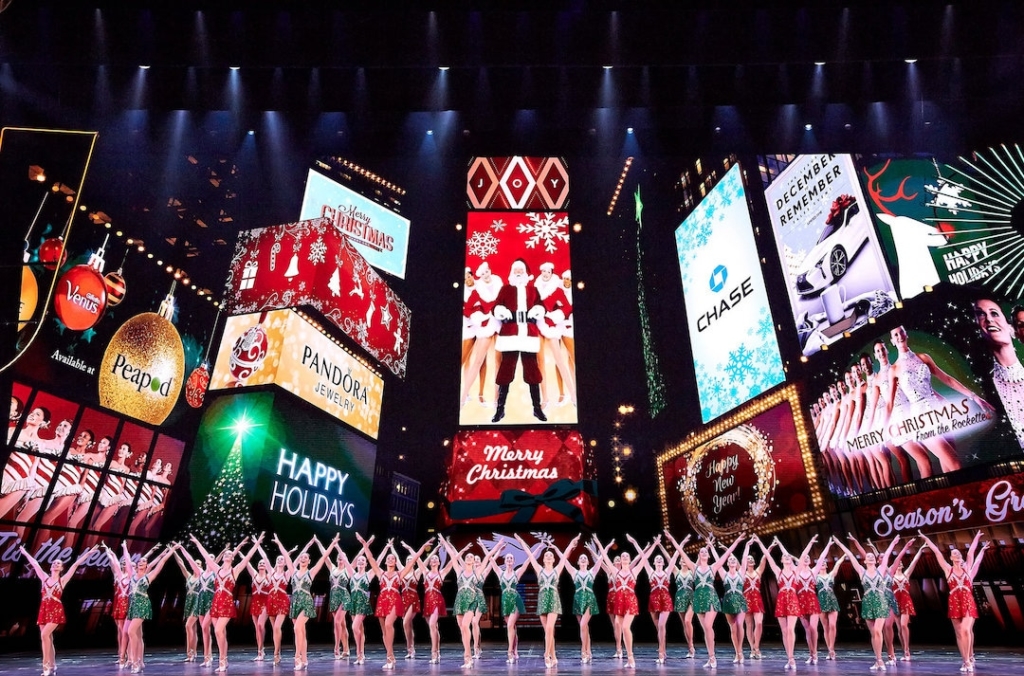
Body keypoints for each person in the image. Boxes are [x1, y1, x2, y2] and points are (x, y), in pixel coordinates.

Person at [888, 325, 995, 473]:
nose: (899, 336)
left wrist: (974, 396)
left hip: (938, 411)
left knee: (948, 465)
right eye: (895, 335)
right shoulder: (893, 370)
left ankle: (956, 496)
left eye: (901, 332)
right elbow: (890, 402)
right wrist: (887, 427)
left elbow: (948, 379)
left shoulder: (923, 357)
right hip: (920, 418)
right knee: (955, 463)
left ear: (906, 335)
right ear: (892, 341)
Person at [20, 543, 96, 676]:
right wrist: (25, 553)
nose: (56, 565)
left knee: (44, 635)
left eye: (58, 564)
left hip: (56, 610)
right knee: (47, 638)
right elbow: (35, 564)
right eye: (54, 563)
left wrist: (88, 554)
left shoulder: (63, 580)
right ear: (51, 567)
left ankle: (46, 667)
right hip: (44, 609)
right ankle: (53, 664)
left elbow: (75, 565)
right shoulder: (44, 578)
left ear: (61, 568)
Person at [918, 530, 988, 673]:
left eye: (959, 553)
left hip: (968, 601)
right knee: (959, 633)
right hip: (954, 602)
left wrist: (976, 538)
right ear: (950, 557)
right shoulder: (948, 569)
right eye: (954, 553)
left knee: (965, 629)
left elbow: (972, 554)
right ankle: (965, 660)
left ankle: (969, 658)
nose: (957, 555)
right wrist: (926, 538)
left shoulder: (969, 569)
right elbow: (937, 552)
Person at [833, 535, 904, 672]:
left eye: (873, 556)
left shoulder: (881, 569)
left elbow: (888, 553)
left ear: (875, 561)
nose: (871, 557)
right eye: (868, 556)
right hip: (867, 603)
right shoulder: (861, 571)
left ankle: (881, 660)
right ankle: (878, 659)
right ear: (865, 560)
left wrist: (894, 542)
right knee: (873, 634)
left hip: (880, 602)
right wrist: (840, 543)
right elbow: (849, 554)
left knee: (878, 630)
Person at [192, 534, 263, 672]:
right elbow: (206, 556)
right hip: (216, 603)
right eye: (226, 554)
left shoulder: (234, 570)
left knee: (218, 630)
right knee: (221, 633)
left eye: (230, 554)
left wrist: (258, 543)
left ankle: (222, 660)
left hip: (226, 603)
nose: (227, 555)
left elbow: (248, 557)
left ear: (232, 558)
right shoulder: (217, 569)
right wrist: (197, 543)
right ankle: (223, 661)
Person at [490, 258, 548, 422]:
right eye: (515, 270)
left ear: (525, 273)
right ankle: (500, 409)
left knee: (532, 371)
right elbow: (495, 307)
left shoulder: (533, 290)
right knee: (506, 370)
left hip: (528, 334)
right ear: (512, 272)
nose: (518, 272)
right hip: (510, 334)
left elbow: (541, 305)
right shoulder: (505, 289)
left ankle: (537, 409)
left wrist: (538, 309)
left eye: (521, 270)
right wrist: (500, 311)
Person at [361, 535, 431, 670]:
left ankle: (390, 657)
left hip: (394, 600)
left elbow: (414, 560)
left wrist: (423, 547)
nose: (391, 559)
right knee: (384, 631)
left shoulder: (400, 574)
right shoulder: (380, 573)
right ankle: (390, 658)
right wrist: (365, 545)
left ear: (395, 561)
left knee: (388, 624)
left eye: (393, 558)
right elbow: (370, 559)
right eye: (389, 558)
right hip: (382, 601)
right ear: (386, 562)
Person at [676, 535, 744, 669]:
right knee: (706, 630)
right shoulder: (693, 568)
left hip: (711, 597)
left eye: (705, 551)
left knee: (707, 625)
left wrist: (736, 541)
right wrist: (674, 540)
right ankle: (711, 657)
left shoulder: (713, 567)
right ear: (699, 555)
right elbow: (681, 553)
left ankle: (714, 658)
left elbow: (727, 554)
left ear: (708, 556)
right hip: (699, 599)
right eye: (701, 551)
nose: (703, 552)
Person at [591, 534, 655, 669]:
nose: (624, 557)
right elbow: (605, 558)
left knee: (625, 627)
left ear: (630, 559)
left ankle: (631, 656)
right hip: (619, 601)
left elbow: (643, 558)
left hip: (631, 601)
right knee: (620, 628)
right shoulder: (615, 571)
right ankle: (627, 656)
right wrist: (598, 543)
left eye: (627, 556)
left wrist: (636, 543)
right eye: (622, 556)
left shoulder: (634, 571)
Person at [274, 533, 331, 671]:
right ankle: (305, 659)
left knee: (296, 628)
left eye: (306, 557)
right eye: (302, 557)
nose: (303, 558)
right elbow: (287, 557)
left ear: (309, 561)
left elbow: (323, 558)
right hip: (295, 603)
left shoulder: (310, 573)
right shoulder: (293, 572)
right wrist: (278, 542)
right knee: (301, 632)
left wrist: (332, 545)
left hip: (306, 603)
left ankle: (297, 657)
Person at [972, 297, 1024, 447]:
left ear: (1011, 328)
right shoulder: (986, 389)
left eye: (994, 313)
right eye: (980, 314)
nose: (988, 318)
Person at [124, 545, 177, 674]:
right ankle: (141, 661)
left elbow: (162, 562)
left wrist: (171, 550)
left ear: (147, 565)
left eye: (144, 561)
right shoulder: (132, 575)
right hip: (133, 605)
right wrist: (124, 546)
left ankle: (135, 661)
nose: (141, 562)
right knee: (138, 634)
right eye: (139, 561)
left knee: (131, 631)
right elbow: (126, 560)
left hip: (142, 604)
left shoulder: (149, 576)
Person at [534, 261, 576, 408]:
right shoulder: (535, 288)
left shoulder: (557, 289)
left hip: (551, 326)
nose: (545, 274)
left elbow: (566, 307)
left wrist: (556, 315)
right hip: (537, 326)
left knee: (560, 360)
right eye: (543, 271)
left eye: (548, 272)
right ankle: (544, 398)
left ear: (552, 273)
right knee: (540, 363)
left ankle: (573, 394)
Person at [460, 262, 503, 408]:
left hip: (501, 325)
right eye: (483, 273)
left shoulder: (498, 282)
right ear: (479, 275)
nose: (486, 275)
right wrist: (478, 316)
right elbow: (467, 308)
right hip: (486, 325)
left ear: (490, 271)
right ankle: (463, 396)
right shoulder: (477, 288)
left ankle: (498, 400)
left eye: (487, 272)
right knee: (478, 361)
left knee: (498, 363)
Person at [407, 544, 454, 665]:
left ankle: (434, 653)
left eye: (436, 559)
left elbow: (453, 560)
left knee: (433, 624)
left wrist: (451, 547)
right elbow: (416, 558)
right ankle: (437, 652)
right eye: (432, 559)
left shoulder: (442, 573)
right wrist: (409, 548)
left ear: (439, 562)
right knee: (434, 627)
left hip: (437, 600)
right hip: (427, 601)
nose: (433, 560)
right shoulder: (424, 572)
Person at [562, 540, 602, 664]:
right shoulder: (574, 572)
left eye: (585, 558)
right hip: (578, 600)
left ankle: (583, 651)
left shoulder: (592, 572)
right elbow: (564, 560)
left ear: (588, 562)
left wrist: (592, 551)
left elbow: (601, 558)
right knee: (584, 628)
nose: (583, 559)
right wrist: (570, 548)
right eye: (581, 558)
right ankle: (589, 651)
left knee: (583, 625)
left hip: (589, 599)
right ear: (578, 562)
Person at [715, 539, 753, 665]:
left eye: (733, 560)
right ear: (727, 563)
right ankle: (737, 652)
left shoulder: (741, 572)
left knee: (739, 625)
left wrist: (747, 545)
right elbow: (718, 562)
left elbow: (744, 558)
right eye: (730, 559)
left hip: (739, 600)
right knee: (733, 628)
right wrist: (711, 548)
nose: (732, 560)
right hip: (727, 601)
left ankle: (740, 651)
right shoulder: (723, 573)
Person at [490, 549, 530, 664]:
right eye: (507, 558)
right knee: (511, 627)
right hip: (505, 602)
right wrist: (498, 548)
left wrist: (533, 550)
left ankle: (509, 652)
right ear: (504, 561)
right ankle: (515, 650)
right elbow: (491, 560)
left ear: (513, 561)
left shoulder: (516, 573)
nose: (509, 560)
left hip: (515, 600)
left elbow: (528, 561)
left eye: (511, 558)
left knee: (510, 625)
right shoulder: (500, 573)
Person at [662, 532, 697, 659]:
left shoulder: (692, 571)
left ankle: (692, 645)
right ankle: (690, 647)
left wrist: (708, 547)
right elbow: (669, 558)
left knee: (688, 620)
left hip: (692, 597)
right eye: (681, 560)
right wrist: (661, 546)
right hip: (680, 598)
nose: (682, 561)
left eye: (684, 560)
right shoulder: (676, 571)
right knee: (685, 624)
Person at [317, 538, 352, 660]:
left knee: (337, 622)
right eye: (339, 557)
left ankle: (337, 648)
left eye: (343, 557)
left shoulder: (348, 569)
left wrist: (338, 547)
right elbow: (325, 555)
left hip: (344, 597)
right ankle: (346, 649)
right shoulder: (332, 568)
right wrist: (318, 542)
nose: (340, 559)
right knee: (342, 624)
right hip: (333, 599)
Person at [890, 544, 925, 662]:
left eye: (900, 562)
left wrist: (919, 549)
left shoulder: (906, 574)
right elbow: (881, 564)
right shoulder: (890, 575)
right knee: (899, 628)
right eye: (897, 562)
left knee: (904, 625)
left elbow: (914, 562)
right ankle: (904, 649)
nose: (899, 564)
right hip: (895, 602)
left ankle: (907, 650)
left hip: (905, 601)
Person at [815, 540, 847, 661]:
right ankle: (829, 650)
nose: (822, 563)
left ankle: (832, 649)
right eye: (820, 562)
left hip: (832, 601)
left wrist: (844, 555)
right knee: (825, 627)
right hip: (821, 602)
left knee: (833, 625)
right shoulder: (815, 576)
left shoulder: (831, 574)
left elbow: (838, 563)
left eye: (824, 562)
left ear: (826, 565)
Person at [171, 547, 202, 663]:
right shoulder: (189, 576)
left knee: (188, 626)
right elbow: (181, 563)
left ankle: (190, 652)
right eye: (195, 563)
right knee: (192, 628)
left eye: (199, 564)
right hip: (189, 602)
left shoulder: (202, 577)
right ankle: (193, 652)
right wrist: (174, 552)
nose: (197, 565)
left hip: (197, 603)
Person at [743, 538, 772, 660]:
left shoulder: (758, 571)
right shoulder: (742, 572)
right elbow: (737, 558)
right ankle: (752, 649)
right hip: (746, 600)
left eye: (751, 559)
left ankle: (756, 647)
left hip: (757, 600)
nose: (750, 560)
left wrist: (769, 548)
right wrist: (747, 546)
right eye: (748, 559)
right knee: (749, 625)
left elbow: (765, 558)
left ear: (754, 562)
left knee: (759, 623)